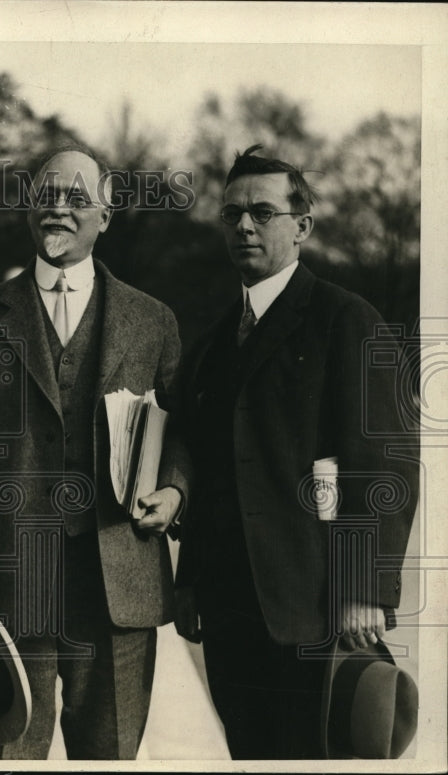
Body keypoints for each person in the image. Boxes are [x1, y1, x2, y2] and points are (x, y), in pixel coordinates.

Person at [0, 145, 190, 759]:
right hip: (11, 582)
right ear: (27, 208)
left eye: (76, 199)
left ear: (107, 214)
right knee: (9, 754)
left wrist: (174, 489)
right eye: (46, 196)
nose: (58, 210)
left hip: (118, 581)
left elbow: (181, 430)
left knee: (112, 755)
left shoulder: (152, 320)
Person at [173, 145, 418, 759]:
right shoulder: (210, 343)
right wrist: (190, 586)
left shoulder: (345, 319)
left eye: (262, 212)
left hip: (313, 605)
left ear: (302, 226)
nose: (244, 227)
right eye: (231, 215)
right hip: (228, 611)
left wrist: (363, 588)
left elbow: (382, 462)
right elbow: (203, 470)